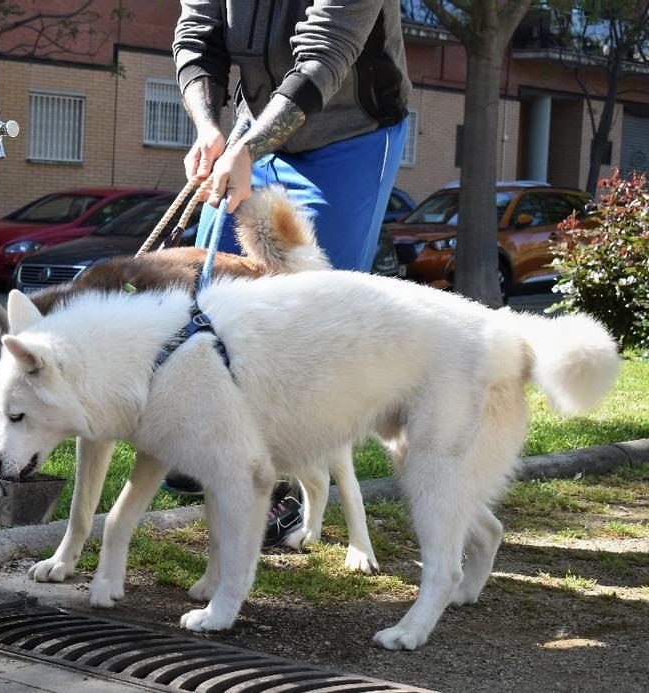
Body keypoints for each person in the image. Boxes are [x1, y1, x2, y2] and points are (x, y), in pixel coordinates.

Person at [161, 0, 412, 547]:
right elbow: (196, 36)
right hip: (254, 131)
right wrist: (209, 128)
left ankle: (288, 481)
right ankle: (223, 451)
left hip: (353, 131)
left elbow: (325, 55)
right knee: (211, 285)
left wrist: (246, 148)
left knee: (312, 309)